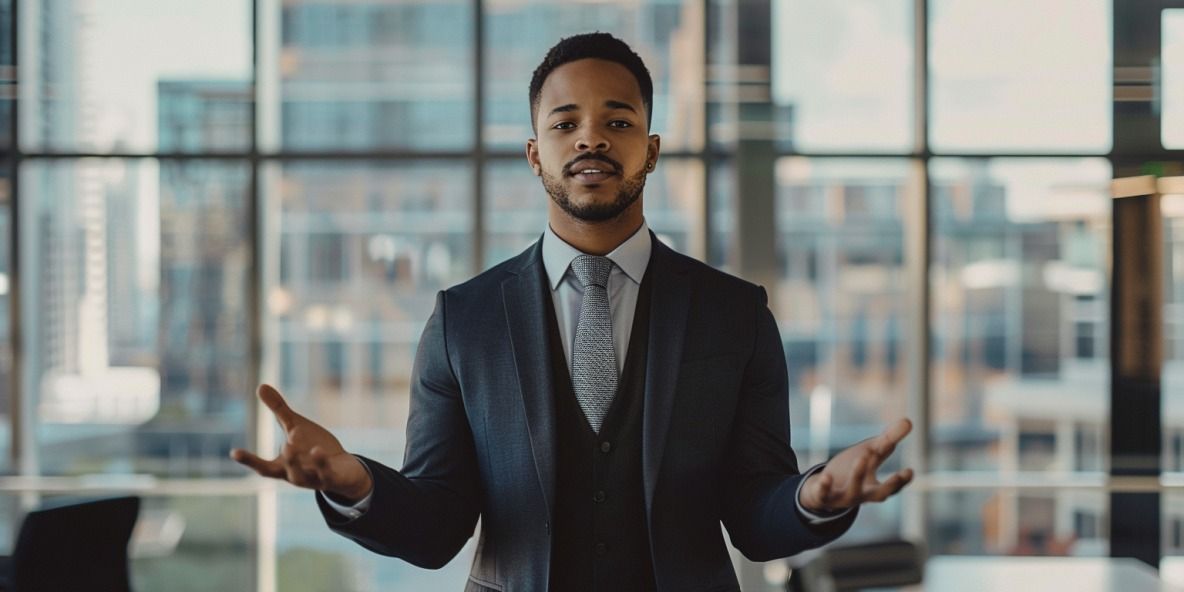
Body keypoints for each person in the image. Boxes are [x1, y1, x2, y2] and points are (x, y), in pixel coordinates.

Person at [231, 32, 914, 592]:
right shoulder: (463, 321)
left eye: (619, 121)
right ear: (535, 155)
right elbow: (437, 527)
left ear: (650, 149)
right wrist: (353, 482)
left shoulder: (733, 314)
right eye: (566, 124)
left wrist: (818, 496)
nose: (592, 139)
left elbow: (757, 518)